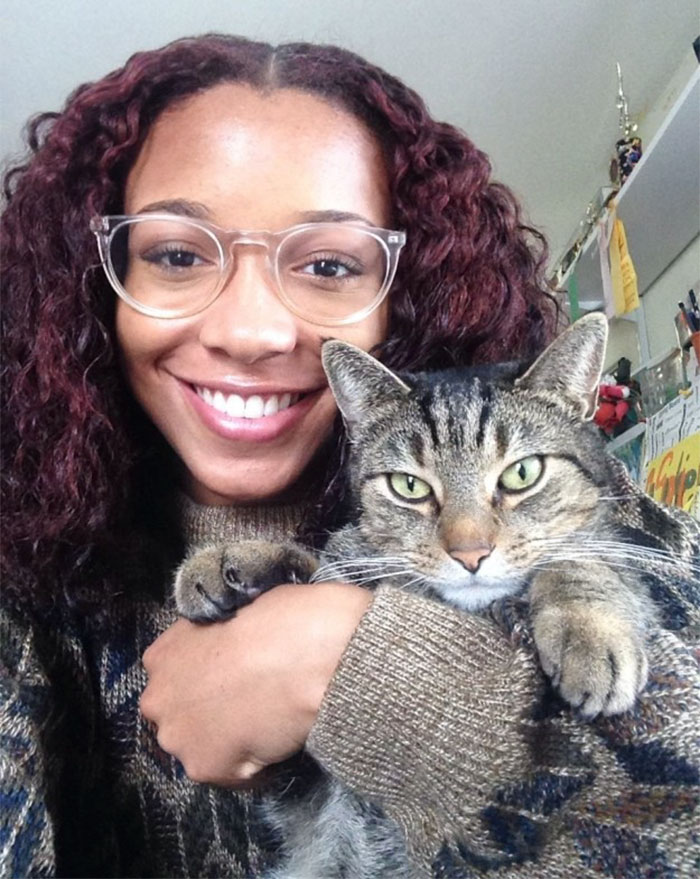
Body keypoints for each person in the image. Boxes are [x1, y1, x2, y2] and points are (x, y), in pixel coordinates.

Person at [1, 33, 698, 879]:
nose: (251, 332)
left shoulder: (577, 482)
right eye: (177, 254)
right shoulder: (23, 581)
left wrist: (354, 663)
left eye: (329, 263)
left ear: (407, 291)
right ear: (89, 281)